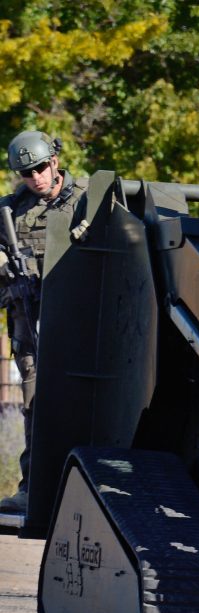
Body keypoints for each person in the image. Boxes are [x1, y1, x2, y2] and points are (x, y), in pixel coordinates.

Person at [0, 131, 87, 513]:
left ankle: (84, 493)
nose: (34, 177)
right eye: (26, 173)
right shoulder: (12, 209)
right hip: (30, 324)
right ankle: (33, 491)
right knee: (36, 405)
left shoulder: (89, 200)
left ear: (54, 161)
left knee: (85, 406)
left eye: (39, 167)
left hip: (80, 322)